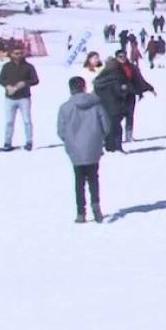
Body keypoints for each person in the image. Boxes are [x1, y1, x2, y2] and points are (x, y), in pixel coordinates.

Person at [56, 77, 111, 223]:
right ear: (84, 87)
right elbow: (106, 125)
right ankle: (96, 204)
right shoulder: (96, 104)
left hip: (75, 149)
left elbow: (61, 131)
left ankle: (81, 212)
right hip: (93, 146)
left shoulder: (65, 107)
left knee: (79, 180)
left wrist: (70, 141)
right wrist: (100, 138)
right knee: (94, 178)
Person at [0, 46, 40, 151]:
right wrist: (7, 85)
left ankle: (29, 142)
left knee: (27, 120)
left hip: (24, 98)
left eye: (20, 53)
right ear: (11, 54)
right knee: (9, 121)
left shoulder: (29, 66)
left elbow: (35, 80)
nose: (18, 55)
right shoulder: (6, 66)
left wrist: (25, 83)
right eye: (16, 53)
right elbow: (0, 79)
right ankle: (7, 143)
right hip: (10, 98)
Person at [115, 49, 155, 143]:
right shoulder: (113, 69)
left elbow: (139, 80)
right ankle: (115, 136)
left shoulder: (132, 67)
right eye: (120, 57)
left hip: (130, 94)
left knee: (129, 115)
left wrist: (150, 88)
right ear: (116, 58)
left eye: (124, 56)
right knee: (117, 117)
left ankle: (129, 136)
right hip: (117, 96)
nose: (123, 58)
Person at [92, 58, 131, 152]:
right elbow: (119, 91)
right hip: (115, 106)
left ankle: (109, 146)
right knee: (116, 127)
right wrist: (125, 89)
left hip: (102, 106)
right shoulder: (117, 76)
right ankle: (117, 147)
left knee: (106, 127)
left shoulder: (100, 78)